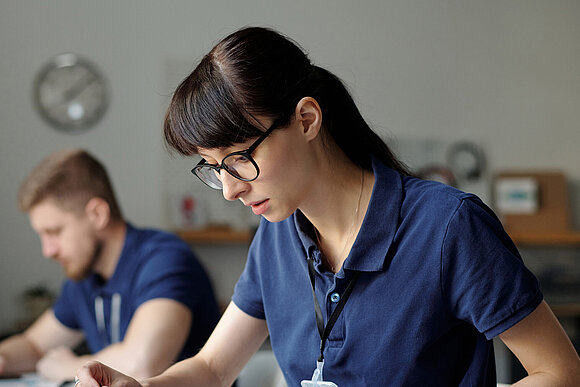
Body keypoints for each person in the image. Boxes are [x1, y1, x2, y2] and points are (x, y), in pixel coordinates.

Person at [77, 26, 580, 387]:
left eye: (239, 160)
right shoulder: (276, 233)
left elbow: (558, 371)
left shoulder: (447, 228)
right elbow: (212, 368)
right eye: (213, 168)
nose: (230, 189)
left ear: (307, 119)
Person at [0, 149, 220, 381]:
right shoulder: (85, 277)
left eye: (54, 232)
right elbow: (34, 346)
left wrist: (69, 367)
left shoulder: (165, 259)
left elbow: (143, 364)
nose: (48, 251)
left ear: (97, 214)